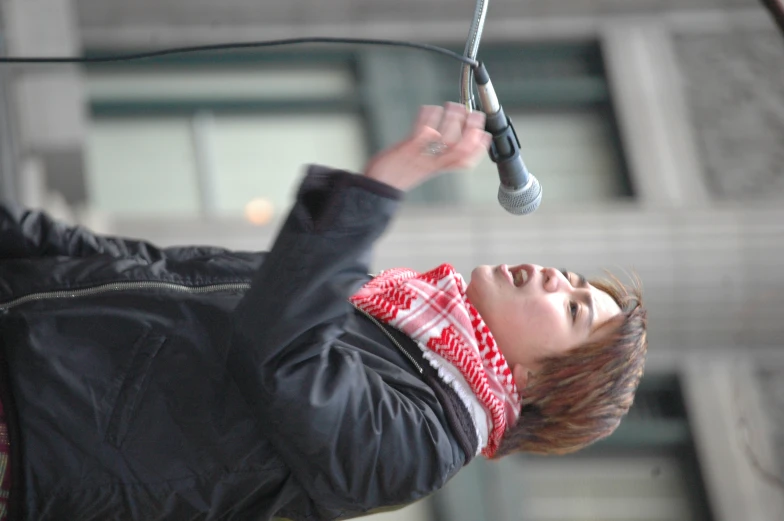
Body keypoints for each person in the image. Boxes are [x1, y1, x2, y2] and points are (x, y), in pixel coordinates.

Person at [0, 102, 647, 520]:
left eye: (572, 307)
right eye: (573, 278)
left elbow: (280, 352)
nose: (553, 277)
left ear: (539, 382)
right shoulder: (362, 299)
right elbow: (149, 265)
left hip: (28, 438)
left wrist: (382, 185)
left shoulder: (420, 443)